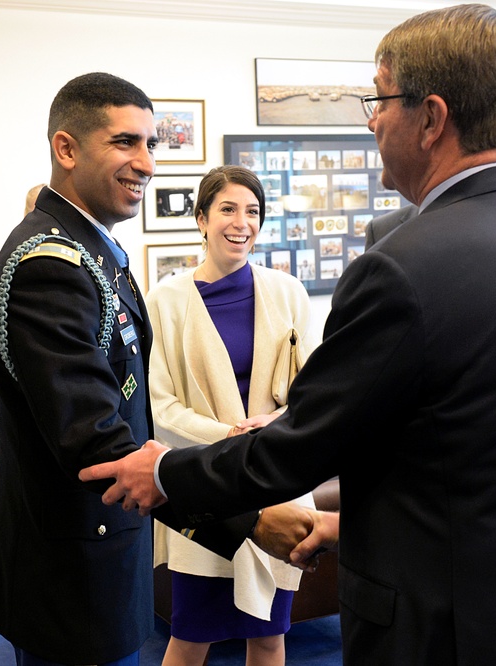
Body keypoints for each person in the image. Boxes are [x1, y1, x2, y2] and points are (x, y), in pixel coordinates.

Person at [80, 5, 496, 664]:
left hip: (456, 632)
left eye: (380, 99)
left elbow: (299, 448)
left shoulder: (403, 268)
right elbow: (494, 458)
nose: (370, 119)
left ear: (430, 118)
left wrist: (166, 471)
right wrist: (364, 524)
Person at [0, 72, 312, 666]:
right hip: (73, 568)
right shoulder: (49, 266)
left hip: (104, 548)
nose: (147, 162)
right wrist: (249, 519)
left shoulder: (90, 252)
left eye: (151, 144)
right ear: (66, 148)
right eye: (125, 142)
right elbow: (101, 446)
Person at [147, 165, 317, 666]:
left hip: (275, 482)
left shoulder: (288, 293)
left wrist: (272, 427)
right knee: (191, 635)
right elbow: (159, 406)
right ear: (201, 218)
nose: (241, 222)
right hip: (203, 485)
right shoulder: (166, 301)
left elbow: (315, 393)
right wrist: (230, 435)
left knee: (269, 635)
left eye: (252, 212)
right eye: (227, 209)